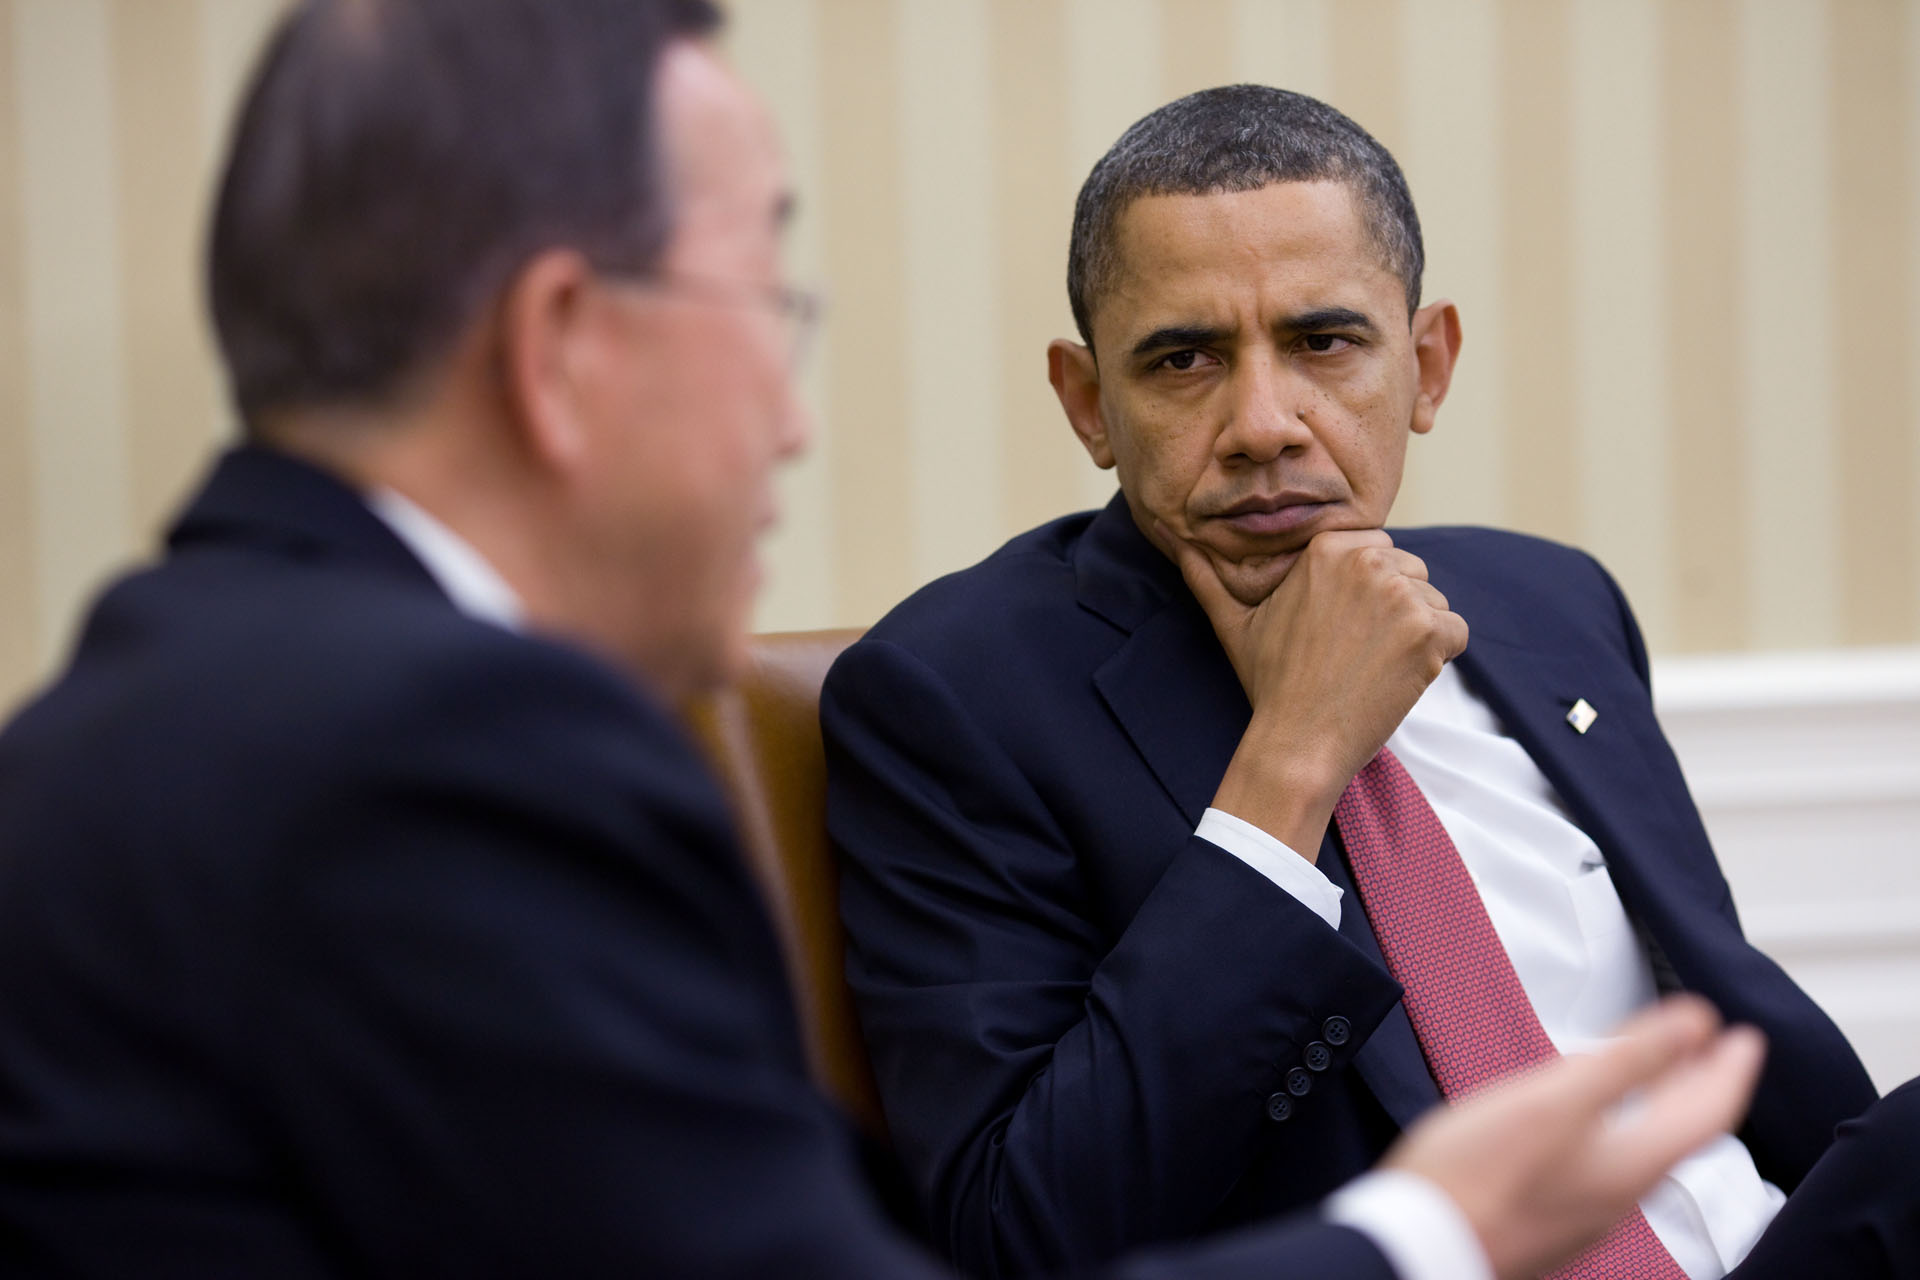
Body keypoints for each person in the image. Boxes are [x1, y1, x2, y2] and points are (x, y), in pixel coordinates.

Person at [0, 5, 1767, 1278]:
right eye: (766, 305)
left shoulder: (135, 711)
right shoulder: (456, 759)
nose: (790, 418)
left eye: (1326, 345)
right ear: (559, 343)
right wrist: (1439, 1233)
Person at [824, 84, 1920, 1280]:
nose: (1262, 423)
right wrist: (1289, 765)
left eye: (1322, 341)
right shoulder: (957, 695)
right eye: (1184, 358)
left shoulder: (1553, 605)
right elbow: (1022, 1235)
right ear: (1091, 403)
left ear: (1428, 364)